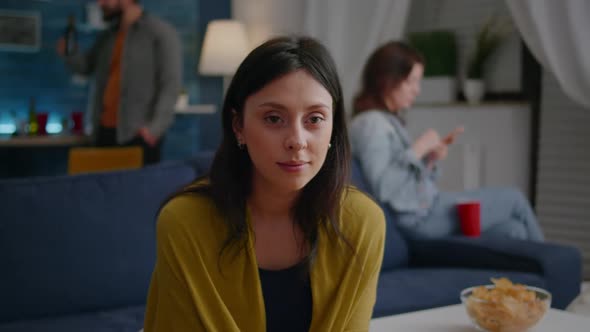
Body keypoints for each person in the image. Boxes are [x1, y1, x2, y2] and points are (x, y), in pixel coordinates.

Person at [143, 36, 385, 331]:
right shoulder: (185, 223)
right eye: (273, 118)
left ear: (334, 126)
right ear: (238, 126)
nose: (297, 141)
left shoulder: (361, 222)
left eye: (315, 119)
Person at [349, 41, 544, 241]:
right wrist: (418, 148)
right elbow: (385, 188)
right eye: (411, 81)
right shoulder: (370, 124)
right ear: (387, 80)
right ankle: (556, 265)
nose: (417, 90)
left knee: (513, 230)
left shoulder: (387, 120)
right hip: (421, 218)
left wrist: (429, 158)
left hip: (425, 209)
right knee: (515, 199)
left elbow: (405, 182)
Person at [57, 0, 182, 164]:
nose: (100, 3)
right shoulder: (107, 37)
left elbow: (170, 85)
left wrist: (153, 130)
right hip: (103, 132)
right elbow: (86, 66)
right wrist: (69, 53)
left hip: (137, 135)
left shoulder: (160, 32)